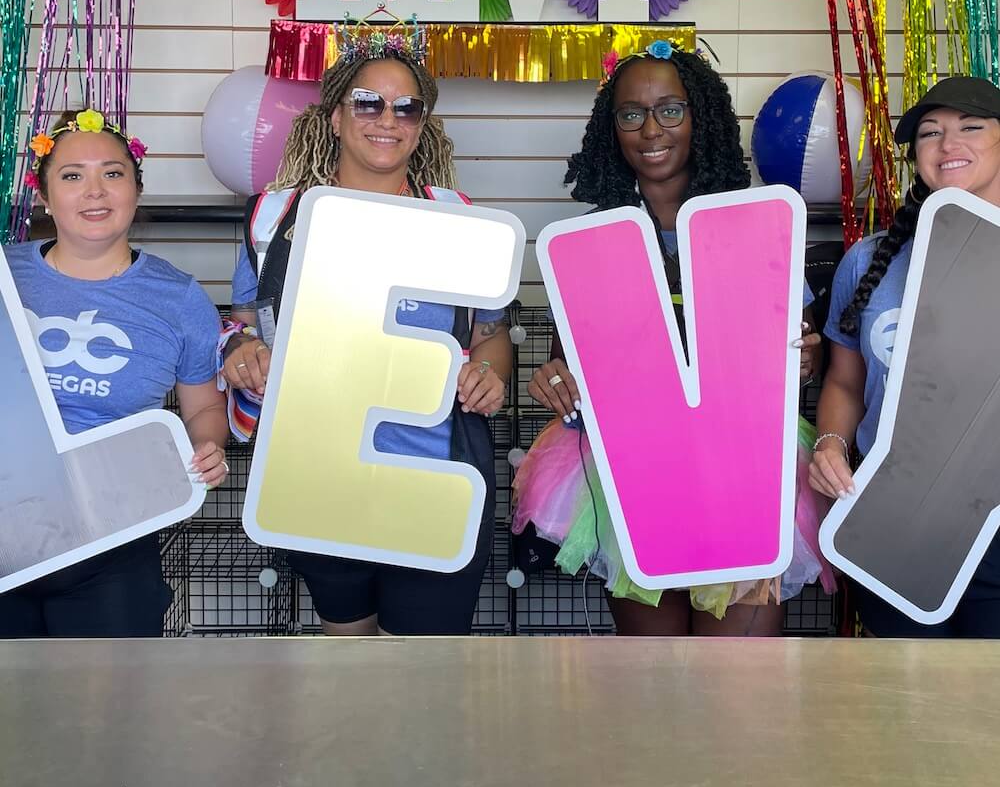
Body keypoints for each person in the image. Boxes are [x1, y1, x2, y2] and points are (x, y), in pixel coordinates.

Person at [517, 42, 826, 636]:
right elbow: (569, 360)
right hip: (636, 468)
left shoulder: (754, 223)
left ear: (699, 117)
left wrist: (804, 358)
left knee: (741, 696)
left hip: (742, 463)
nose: (651, 128)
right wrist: (556, 378)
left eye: (670, 110)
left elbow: (796, 344)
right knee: (653, 692)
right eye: (631, 113)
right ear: (613, 130)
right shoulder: (588, 241)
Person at [221, 39, 512, 637]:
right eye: (367, 103)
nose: (387, 119)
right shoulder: (274, 218)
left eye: (406, 108)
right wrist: (240, 350)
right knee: (347, 667)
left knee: (424, 673)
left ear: (422, 124)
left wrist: (492, 373)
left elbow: (492, 335)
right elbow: (244, 322)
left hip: (435, 474)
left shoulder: (458, 217)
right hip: (322, 473)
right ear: (333, 114)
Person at [0, 109, 228, 638]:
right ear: (43, 194)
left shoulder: (179, 297)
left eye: (113, 173)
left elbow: (203, 407)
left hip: (112, 541)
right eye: (72, 175)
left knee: (105, 714)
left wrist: (207, 445)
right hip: (7, 528)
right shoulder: (5, 274)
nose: (94, 191)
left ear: (137, 188)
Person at [811, 75, 1000, 637]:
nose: (948, 145)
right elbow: (846, 382)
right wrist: (830, 446)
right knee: (903, 707)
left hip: (991, 520)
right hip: (895, 516)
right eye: (930, 133)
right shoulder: (870, 261)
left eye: (971, 127)